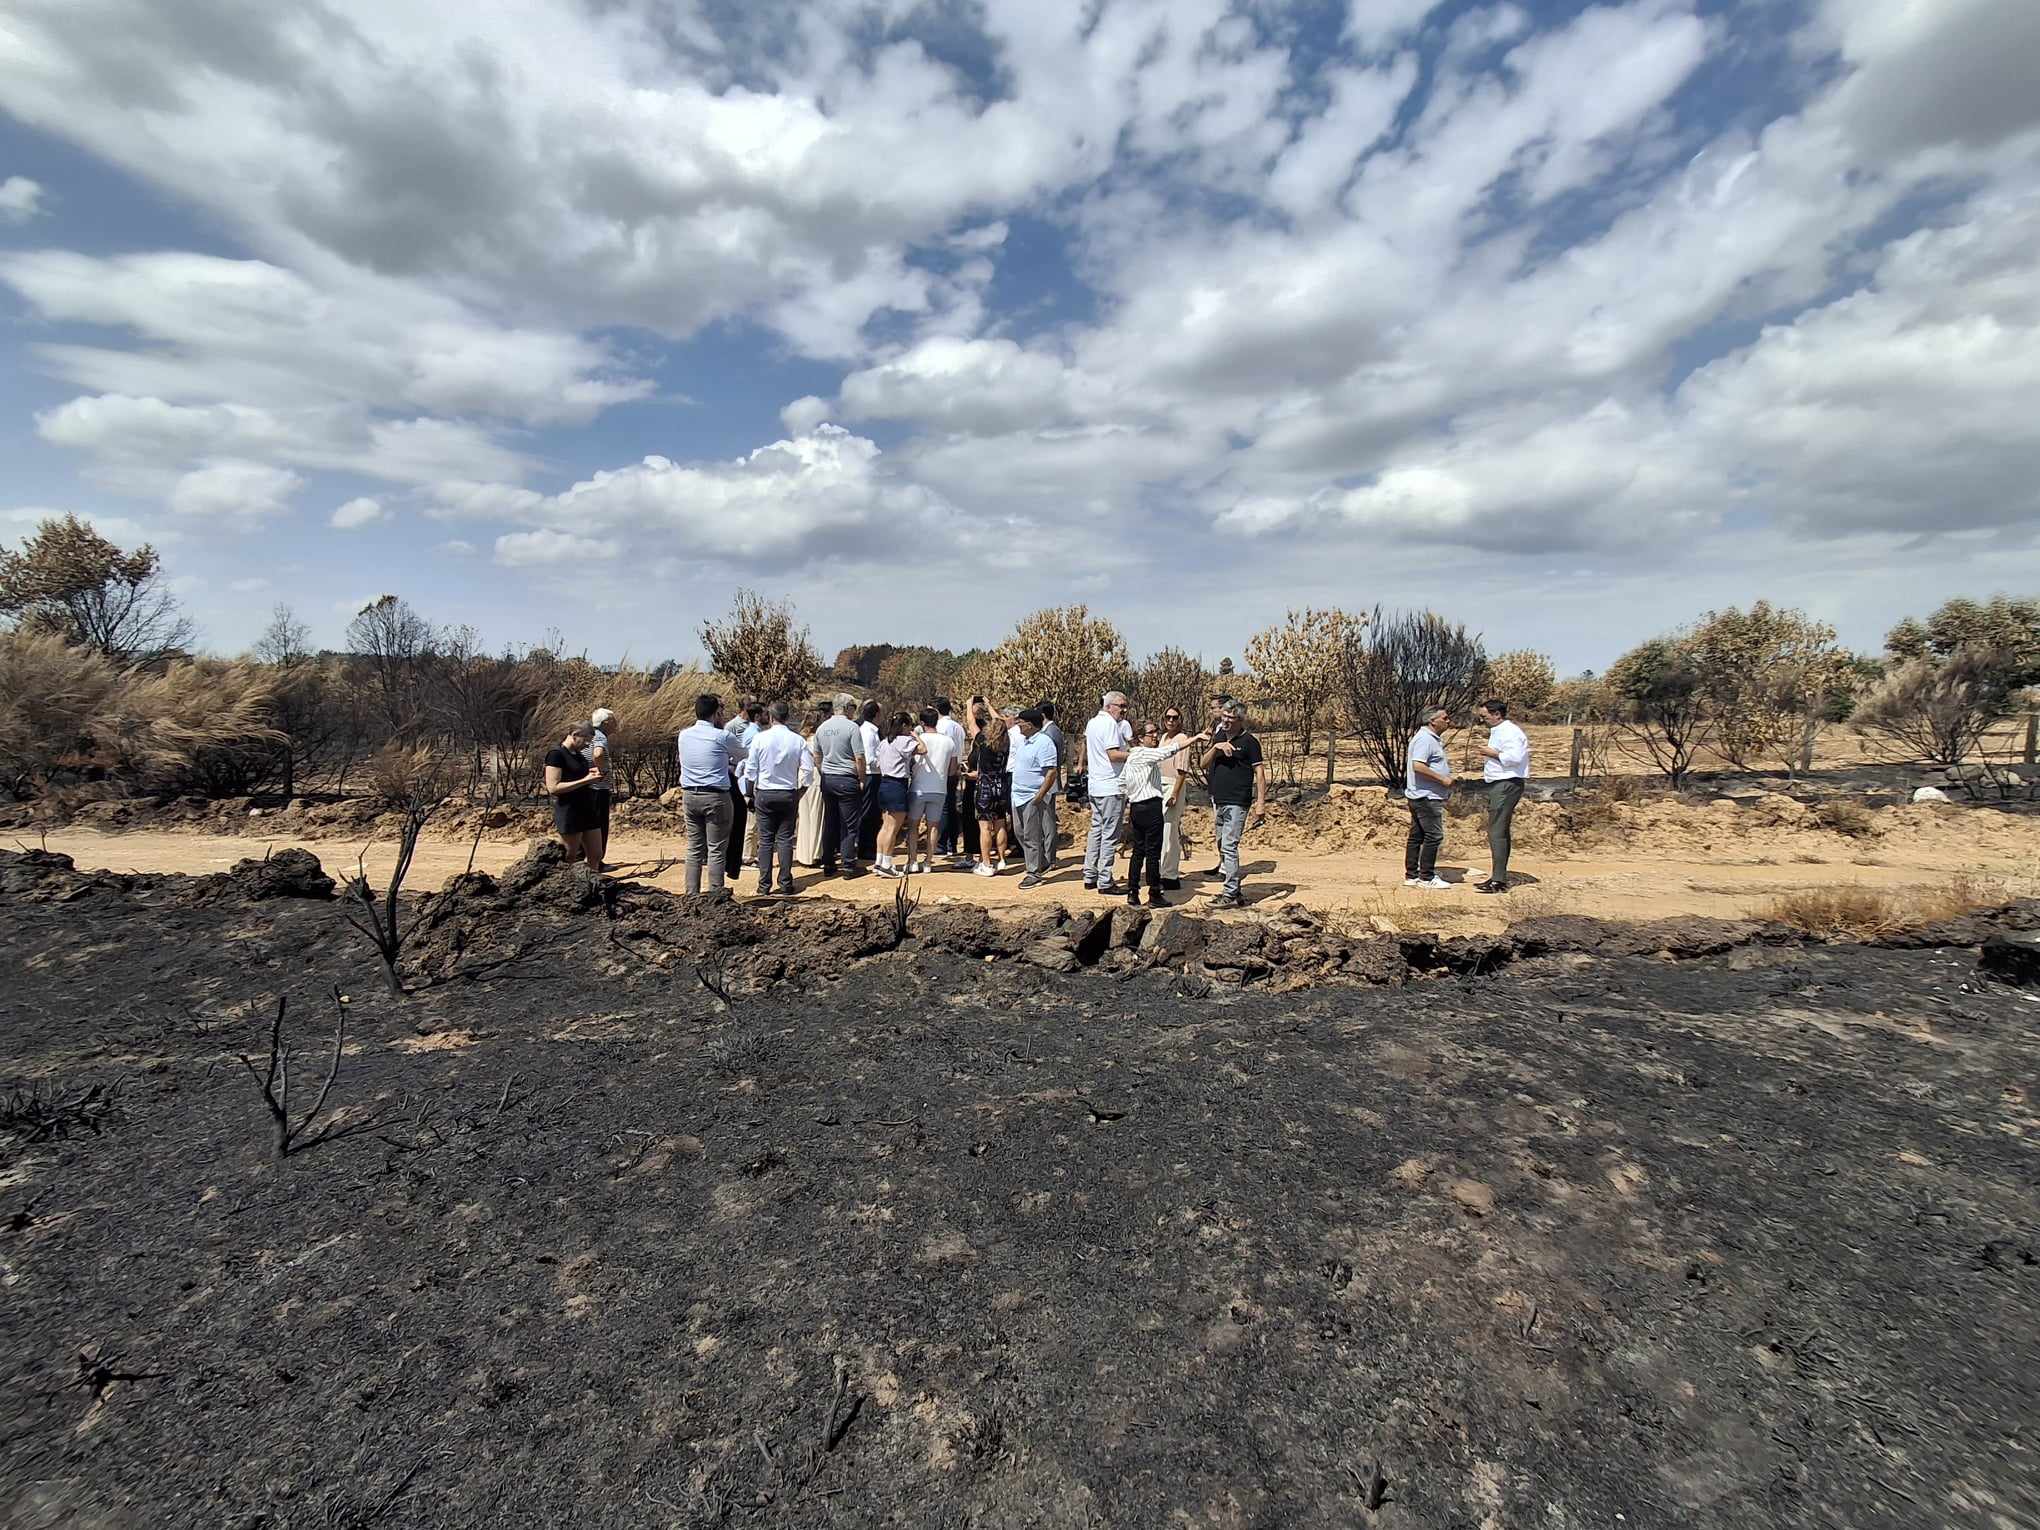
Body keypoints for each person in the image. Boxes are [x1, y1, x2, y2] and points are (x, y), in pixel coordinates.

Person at [1119, 719, 1209, 907]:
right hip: (1150, 807)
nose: (1155, 736)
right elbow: (1170, 750)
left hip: (1136, 807)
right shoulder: (1145, 754)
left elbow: (1121, 784)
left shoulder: (1131, 757)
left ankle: (1133, 892)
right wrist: (1195, 738)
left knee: (1138, 852)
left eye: (1155, 732)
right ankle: (1154, 894)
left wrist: (1133, 794)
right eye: (1150, 733)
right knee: (1152, 854)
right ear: (1140, 738)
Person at [1200, 700, 1265, 909]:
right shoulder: (1219, 736)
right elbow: (1202, 762)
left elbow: (1260, 773)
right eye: (1224, 716)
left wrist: (1260, 803)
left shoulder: (1250, 742)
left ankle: (1230, 893)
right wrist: (1217, 747)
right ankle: (1234, 891)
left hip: (1238, 801)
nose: (1225, 720)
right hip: (1219, 799)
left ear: (1240, 720)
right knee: (1221, 845)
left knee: (1229, 845)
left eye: (1230, 718)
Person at [679, 693, 745, 895]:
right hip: (716, 796)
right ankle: (716, 894)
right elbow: (743, 754)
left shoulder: (684, 734)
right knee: (716, 848)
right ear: (716, 713)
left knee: (694, 847)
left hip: (690, 795)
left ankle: (691, 894)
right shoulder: (722, 736)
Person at [746, 701, 811, 897]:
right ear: (787, 717)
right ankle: (784, 883)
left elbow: (750, 770)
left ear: (771, 717)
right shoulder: (798, 740)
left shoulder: (760, 739)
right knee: (785, 839)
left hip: (765, 793)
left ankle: (763, 885)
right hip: (788, 793)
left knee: (765, 841)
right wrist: (800, 792)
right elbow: (807, 770)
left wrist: (749, 794)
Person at [1474, 698, 1530, 894]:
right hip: (1501, 783)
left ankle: (1498, 880)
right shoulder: (1500, 731)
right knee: (1498, 830)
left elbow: (1515, 758)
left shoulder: (1509, 732)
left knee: (1496, 831)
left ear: (1497, 714)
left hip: (1507, 783)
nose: (1482, 721)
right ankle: (1498, 877)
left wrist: (1492, 753)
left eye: (1485, 716)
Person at [810, 693, 867, 877]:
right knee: (849, 825)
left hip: (828, 779)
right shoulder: (852, 728)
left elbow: (816, 755)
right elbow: (859, 757)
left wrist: (823, 771)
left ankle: (828, 863)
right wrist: (861, 778)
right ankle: (849, 865)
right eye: (853, 707)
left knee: (830, 822)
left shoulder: (822, 728)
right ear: (847, 707)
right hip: (847, 778)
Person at [1081, 692, 1132, 893]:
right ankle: (1105, 880)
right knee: (1110, 834)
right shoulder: (1110, 724)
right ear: (1109, 706)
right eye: (1121, 705)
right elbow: (1113, 755)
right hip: (1111, 786)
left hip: (1096, 785)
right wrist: (1135, 754)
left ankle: (1090, 875)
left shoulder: (1092, 723)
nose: (1124, 710)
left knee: (1097, 831)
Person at [1404, 705, 1454, 890]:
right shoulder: (1425, 740)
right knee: (1434, 835)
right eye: (1445, 718)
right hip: (1426, 796)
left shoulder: (1430, 739)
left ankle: (1412, 875)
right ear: (1433, 721)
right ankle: (1426, 877)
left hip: (1421, 794)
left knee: (1417, 835)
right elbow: (1418, 765)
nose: (1448, 721)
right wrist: (1443, 779)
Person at [1009, 708, 1060, 888]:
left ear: (1029, 724)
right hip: (1017, 795)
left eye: (1020, 722)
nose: (1018, 726)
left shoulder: (1044, 742)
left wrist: (1039, 796)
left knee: (1032, 836)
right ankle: (1040, 861)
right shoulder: (1025, 741)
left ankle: (1033, 872)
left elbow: (1051, 772)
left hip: (1032, 796)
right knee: (1020, 833)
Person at [543, 722, 604, 873]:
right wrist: (586, 780)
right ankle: (565, 888)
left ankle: (593, 886)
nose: (588, 745)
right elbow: (553, 787)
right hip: (569, 811)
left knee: (596, 854)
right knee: (569, 856)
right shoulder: (556, 754)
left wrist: (593, 774)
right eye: (586, 740)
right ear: (575, 735)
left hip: (587, 808)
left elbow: (578, 774)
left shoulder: (578, 755)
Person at [907, 706, 959, 874]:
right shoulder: (948, 741)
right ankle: (928, 862)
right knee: (933, 826)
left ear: (922, 723)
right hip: (939, 788)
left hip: (918, 787)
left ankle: (913, 860)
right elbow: (952, 769)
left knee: (913, 825)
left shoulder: (917, 739)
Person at [871, 712, 921, 878]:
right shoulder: (904, 740)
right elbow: (923, 749)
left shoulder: (885, 742)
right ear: (905, 726)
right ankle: (886, 864)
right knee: (893, 828)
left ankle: (879, 862)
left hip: (884, 784)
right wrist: (916, 737)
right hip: (897, 785)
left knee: (885, 826)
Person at [966, 706, 1011, 877]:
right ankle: (1002, 860)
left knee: (985, 827)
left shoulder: (983, 741)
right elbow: (1002, 724)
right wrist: (988, 703)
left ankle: (986, 863)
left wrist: (969, 705)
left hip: (985, 786)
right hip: (1001, 786)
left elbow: (971, 722)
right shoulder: (1006, 743)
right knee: (1000, 825)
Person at [726, 700, 762, 881]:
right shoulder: (752, 733)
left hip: (745, 775)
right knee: (751, 819)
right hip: (748, 777)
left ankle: (749, 853)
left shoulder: (751, 730)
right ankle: (747, 856)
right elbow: (748, 759)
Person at [1157, 706, 1191, 889]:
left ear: (1180, 720)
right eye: (1168, 717)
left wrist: (1175, 794)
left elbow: (1182, 771)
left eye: (1175, 718)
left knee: (1170, 830)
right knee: (1162, 830)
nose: (1171, 721)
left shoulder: (1182, 739)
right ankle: (1163, 870)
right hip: (1160, 784)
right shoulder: (1163, 738)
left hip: (1173, 784)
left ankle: (1170, 875)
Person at [795, 703, 828, 866]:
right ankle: (815, 854)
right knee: (816, 815)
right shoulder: (817, 739)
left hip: (801, 777)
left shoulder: (800, 738)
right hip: (815, 776)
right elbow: (818, 760)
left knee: (804, 816)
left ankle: (802, 854)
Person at [587, 706, 617, 871]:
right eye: (613, 721)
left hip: (587, 786)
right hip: (599, 788)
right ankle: (597, 862)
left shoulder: (588, 735)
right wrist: (601, 770)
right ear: (605, 723)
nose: (616, 724)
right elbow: (598, 754)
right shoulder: (601, 738)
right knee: (600, 826)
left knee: (590, 825)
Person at [856, 699, 884, 862]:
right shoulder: (868, 732)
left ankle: (868, 846)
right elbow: (868, 757)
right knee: (868, 812)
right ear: (876, 714)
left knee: (873, 812)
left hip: (873, 774)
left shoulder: (871, 731)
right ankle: (865, 848)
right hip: (870, 774)